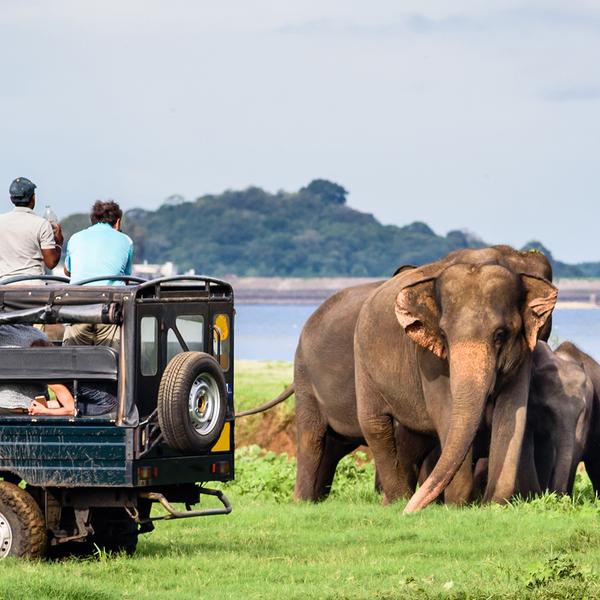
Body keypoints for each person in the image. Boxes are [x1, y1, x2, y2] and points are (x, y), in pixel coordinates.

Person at [63, 200, 133, 348]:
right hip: (109, 308)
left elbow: (67, 271)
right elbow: (125, 278)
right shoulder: (126, 240)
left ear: (92, 220)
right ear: (118, 222)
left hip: (77, 306)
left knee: (73, 361)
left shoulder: (75, 237)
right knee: (112, 361)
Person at [0, 177, 63, 282]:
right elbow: (51, 263)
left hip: (5, 286)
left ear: (11, 199)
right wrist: (58, 244)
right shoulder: (42, 224)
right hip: (34, 287)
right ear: (33, 198)